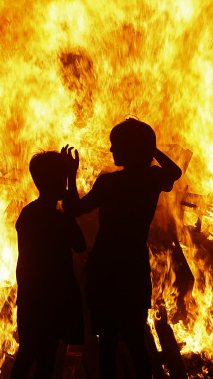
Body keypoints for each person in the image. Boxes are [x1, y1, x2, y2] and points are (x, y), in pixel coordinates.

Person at [62, 118, 182, 379]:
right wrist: (153, 149)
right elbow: (175, 172)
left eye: (115, 145)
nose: (111, 150)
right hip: (133, 267)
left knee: (107, 342)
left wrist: (71, 176)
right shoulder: (152, 179)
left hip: (105, 269)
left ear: (130, 148)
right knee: (136, 340)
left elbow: (73, 209)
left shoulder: (110, 183)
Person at [11, 151, 86, 379]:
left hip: (31, 299)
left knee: (27, 356)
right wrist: (71, 183)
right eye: (61, 178)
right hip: (52, 301)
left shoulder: (28, 214)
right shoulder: (58, 219)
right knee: (45, 360)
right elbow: (81, 245)